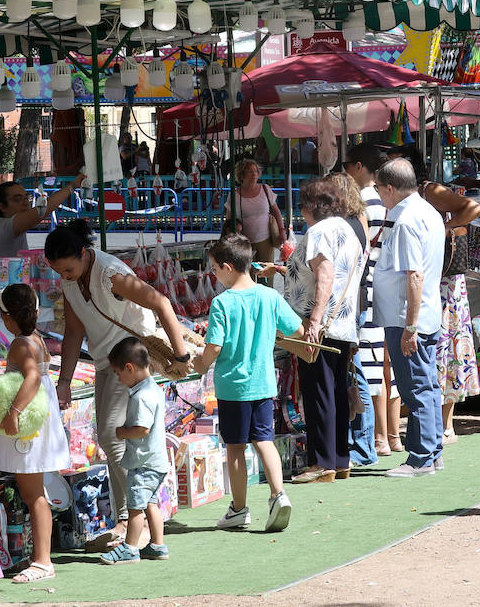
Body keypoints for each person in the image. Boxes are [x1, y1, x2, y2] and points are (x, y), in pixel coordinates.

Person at [47, 219, 192, 546]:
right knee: (118, 440)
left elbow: (161, 303)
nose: (64, 277)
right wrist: (64, 380)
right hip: (107, 362)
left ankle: (131, 523)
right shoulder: (72, 283)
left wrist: (180, 356)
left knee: (114, 439)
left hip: (130, 361)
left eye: (68, 269)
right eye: (59, 272)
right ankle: (130, 520)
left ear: (84, 254)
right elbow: (73, 332)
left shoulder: (110, 272)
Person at [259, 177, 366, 483]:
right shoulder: (349, 230)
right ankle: (339, 458)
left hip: (318, 325)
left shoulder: (319, 231)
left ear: (311, 207)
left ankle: (322, 463)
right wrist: (280, 269)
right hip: (343, 324)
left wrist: (314, 322)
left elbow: (325, 275)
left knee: (319, 393)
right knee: (335, 392)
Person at [190, 234, 296, 532]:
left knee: (235, 447)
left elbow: (214, 346)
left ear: (226, 267)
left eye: (214, 269)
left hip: (233, 386)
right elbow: (297, 329)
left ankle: (239, 508)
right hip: (263, 383)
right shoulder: (270, 297)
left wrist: (199, 364)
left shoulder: (222, 303)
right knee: (264, 440)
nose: (213, 275)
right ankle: (278, 494)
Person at [0, 284, 68, 583]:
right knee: (34, 492)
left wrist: (13, 411)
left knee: (33, 493)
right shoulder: (36, 339)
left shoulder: (21, 344)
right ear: (36, 312)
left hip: (28, 425)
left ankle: (42, 561)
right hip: (37, 421)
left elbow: (33, 377)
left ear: (5, 316)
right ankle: (39, 557)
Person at [388, 144, 480, 444]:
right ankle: (438, 423)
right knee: (440, 350)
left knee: (445, 347)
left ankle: (445, 423)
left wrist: (445, 227)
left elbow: (472, 207)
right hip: (435, 280)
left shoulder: (429, 191)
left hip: (442, 282)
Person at [371, 157, 446, 478]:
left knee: (417, 388)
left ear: (389, 187)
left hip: (408, 319)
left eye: (378, 188)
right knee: (425, 385)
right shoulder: (427, 211)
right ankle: (430, 452)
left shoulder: (406, 221)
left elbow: (413, 275)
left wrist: (410, 327)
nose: (378, 195)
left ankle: (422, 457)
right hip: (420, 313)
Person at [344, 142, 401, 456]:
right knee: (387, 363)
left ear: (357, 167)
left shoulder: (361, 203)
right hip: (390, 287)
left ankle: (377, 437)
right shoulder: (392, 202)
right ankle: (392, 436)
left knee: (369, 365)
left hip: (366, 290)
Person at [99, 337, 171, 564]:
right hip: (156, 460)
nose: (119, 380)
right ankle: (158, 545)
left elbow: (141, 429)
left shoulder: (141, 397)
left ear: (129, 367)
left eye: (119, 374)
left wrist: (122, 432)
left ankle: (129, 548)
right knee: (150, 503)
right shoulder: (154, 389)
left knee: (135, 507)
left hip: (143, 462)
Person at [327, 171, 377, 466]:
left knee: (354, 371)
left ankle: (363, 444)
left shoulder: (347, 225)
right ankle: (361, 442)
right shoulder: (359, 220)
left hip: (349, 304)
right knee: (352, 371)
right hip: (356, 301)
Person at [0, 175, 86, 258]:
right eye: (18, 199)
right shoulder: (6, 226)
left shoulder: (3, 224)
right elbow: (44, 210)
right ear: (3, 207)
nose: (25, 203)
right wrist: (73, 185)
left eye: (26, 198)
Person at [221, 158, 286, 264]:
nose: (254, 174)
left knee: (266, 273)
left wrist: (282, 231)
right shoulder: (234, 195)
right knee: (247, 274)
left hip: (266, 240)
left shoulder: (265, 189)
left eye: (255, 171)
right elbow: (229, 220)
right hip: (244, 242)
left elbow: (276, 211)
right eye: (250, 171)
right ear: (242, 175)